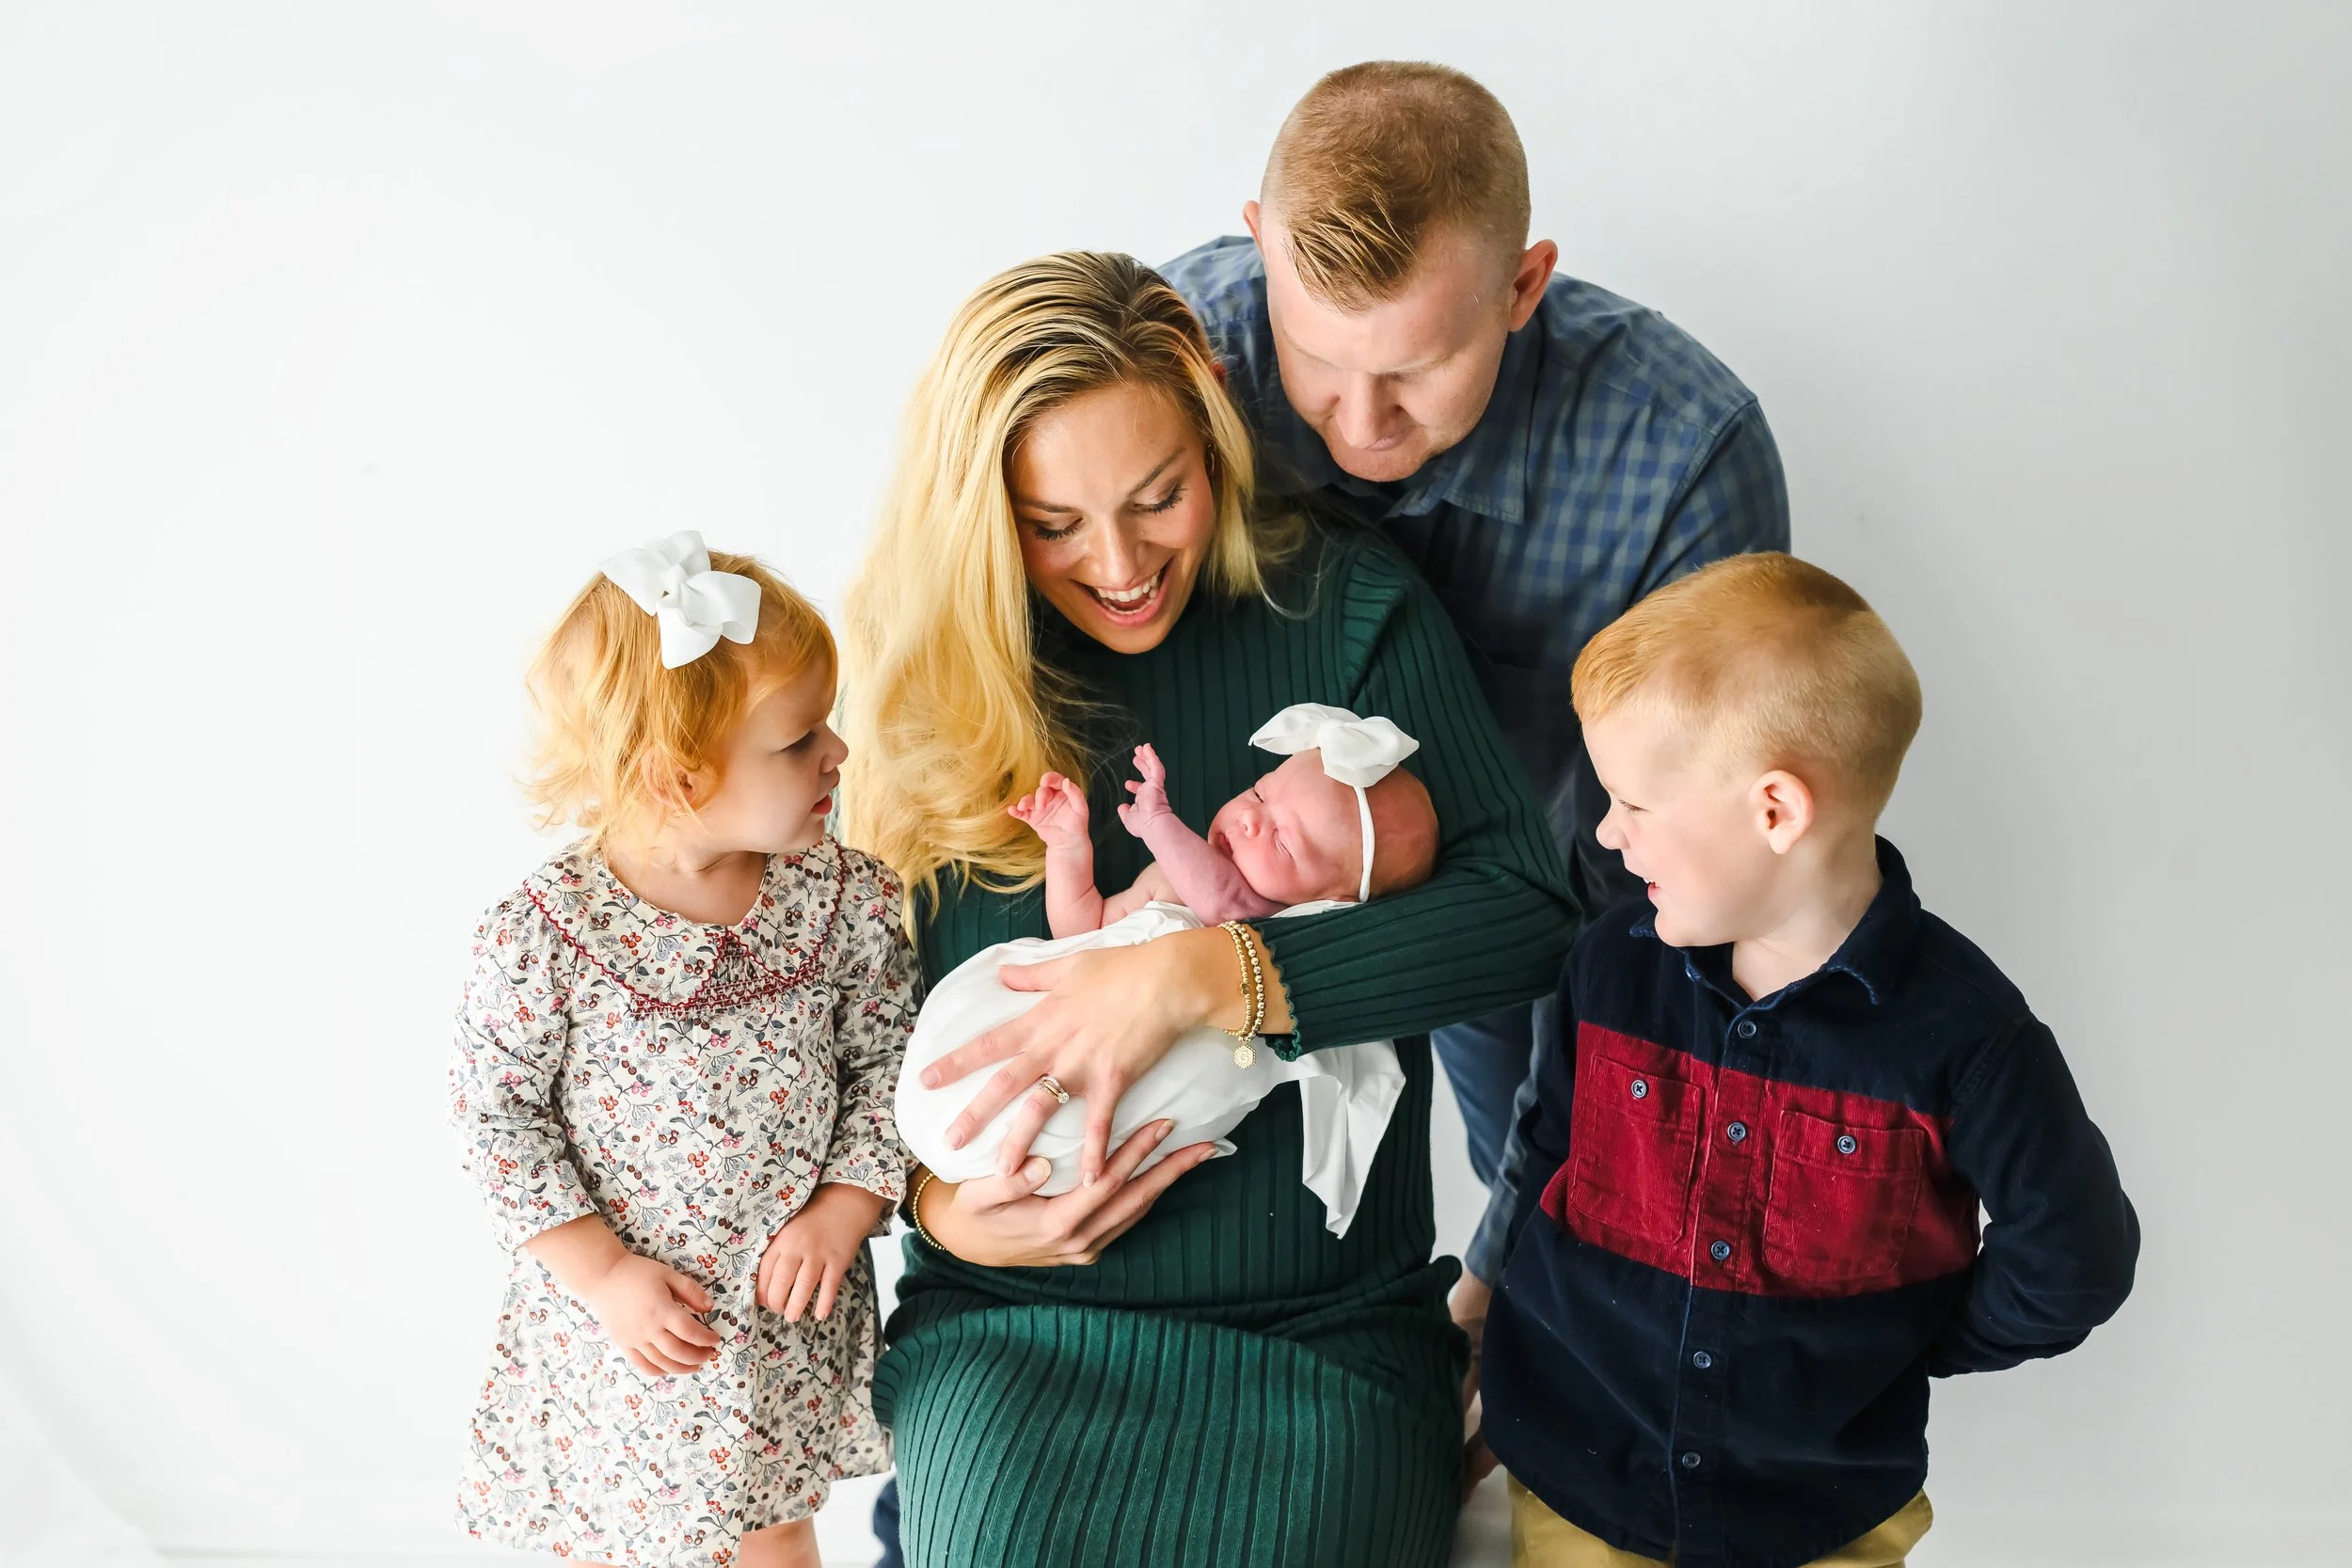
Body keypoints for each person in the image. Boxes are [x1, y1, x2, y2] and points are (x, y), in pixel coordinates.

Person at [837, 250, 1573, 1567]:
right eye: (1054, 524)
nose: (1121, 563)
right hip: (1009, 1327)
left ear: (1212, 439)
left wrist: (1218, 976)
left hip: (1323, 1332)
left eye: (1158, 497)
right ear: (983, 518)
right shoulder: (932, 691)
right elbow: (829, 1041)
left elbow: (1524, 910)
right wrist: (937, 1209)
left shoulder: (1341, 606)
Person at [1158, 61, 1792, 1315]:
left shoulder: (1683, 455)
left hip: (1548, 908)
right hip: (1216, 881)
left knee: (1592, 1252)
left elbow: (1676, 899)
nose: (1360, 423)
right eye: (1316, 357)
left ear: (1523, 285)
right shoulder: (1167, 359)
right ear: (1259, 246)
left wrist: (1507, 1274)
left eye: (1420, 367)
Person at [1480, 553, 2138, 1566]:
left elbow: (2073, 1259)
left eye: (1632, 803)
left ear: (1775, 811)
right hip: (1582, 1472)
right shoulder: (1611, 965)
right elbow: (1544, 1149)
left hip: (1817, 1521)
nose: (1607, 834)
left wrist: (1905, 1339)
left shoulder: (1969, 1038)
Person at [447, 534, 918, 1568]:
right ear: (676, 777)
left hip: (778, 1318)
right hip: (628, 1329)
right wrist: (605, 1272)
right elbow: (497, 1115)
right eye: (798, 739)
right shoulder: (548, 934)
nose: (838, 751)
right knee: (618, 1534)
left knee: (772, 1526)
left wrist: (843, 1208)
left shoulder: (842, 901)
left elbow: (890, 1068)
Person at [894, 707, 1439, 1232]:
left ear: (1330, 904)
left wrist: (1158, 821)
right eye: (1259, 793)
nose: (1248, 819)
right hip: (1059, 1037)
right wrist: (1066, 848)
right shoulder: (1170, 878)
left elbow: (1225, 906)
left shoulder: (1274, 929)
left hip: (1144, 1088)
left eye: (1282, 841)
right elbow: (1084, 930)